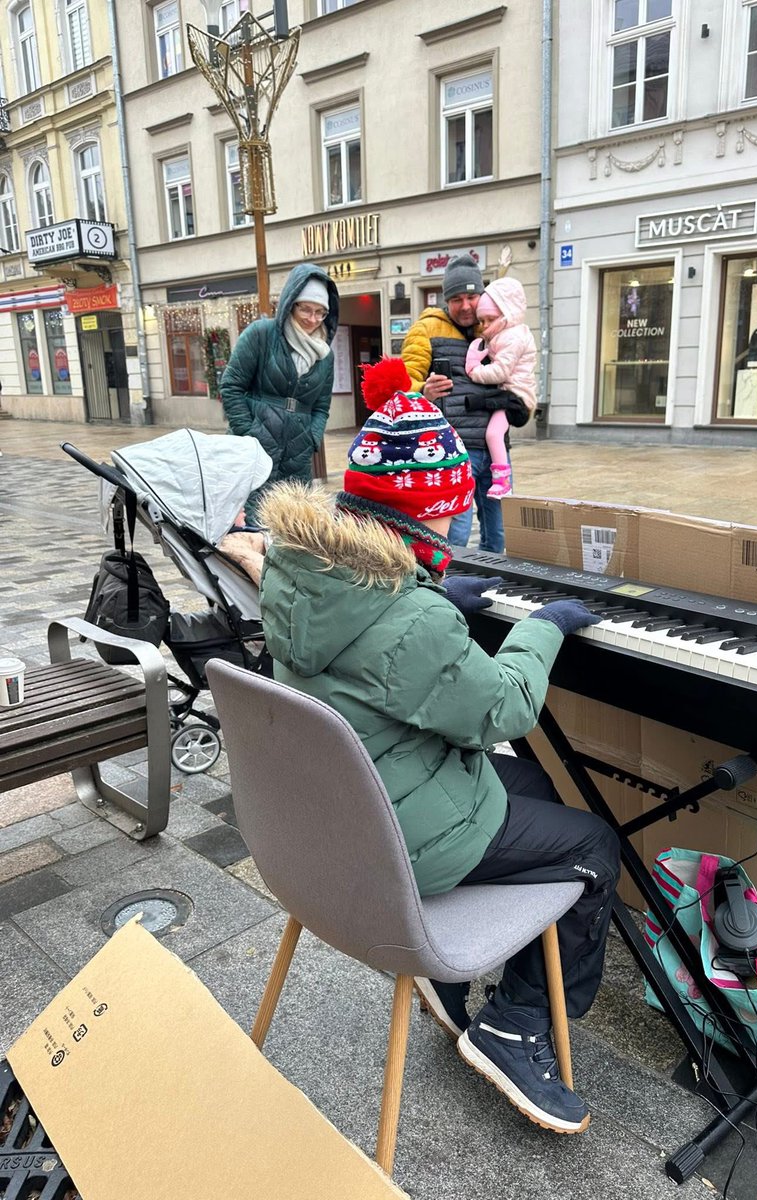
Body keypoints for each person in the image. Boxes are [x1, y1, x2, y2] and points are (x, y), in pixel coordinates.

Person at [257, 357, 620, 1136]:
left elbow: (372, 647)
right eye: (450, 518)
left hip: (336, 817)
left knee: (537, 793)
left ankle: (479, 974)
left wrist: (425, 591)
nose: (460, 530)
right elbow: (508, 707)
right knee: (594, 841)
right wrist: (541, 625)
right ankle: (517, 1025)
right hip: (401, 843)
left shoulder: (296, 570)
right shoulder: (411, 623)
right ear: (425, 523)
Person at [401, 253, 529, 553]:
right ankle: (451, 593)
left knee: (499, 534)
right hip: (453, 451)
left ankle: (488, 590)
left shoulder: (496, 328)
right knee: (453, 538)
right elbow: (402, 383)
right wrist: (424, 391)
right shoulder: (427, 329)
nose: (466, 305)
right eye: (456, 298)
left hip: (497, 451)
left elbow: (519, 374)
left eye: (471, 296)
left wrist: (521, 405)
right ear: (446, 300)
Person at [220, 263, 339, 521]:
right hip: (254, 449)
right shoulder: (261, 334)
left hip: (298, 453)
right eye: (306, 309)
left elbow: (321, 406)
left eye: (320, 312)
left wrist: (311, 438)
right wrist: (249, 433)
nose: (312, 319)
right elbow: (231, 386)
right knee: (252, 523)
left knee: (293, 529)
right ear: (291, 303)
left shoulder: (324, 354)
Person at [464, 276, 537, 499]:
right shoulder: (506, 334)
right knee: (493, 432)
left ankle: (502, 481)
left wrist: (473, 370)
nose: (484, 326)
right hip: (508, 393)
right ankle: (501, 480)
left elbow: (501, 371)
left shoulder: (512, 337)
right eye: (481, 321)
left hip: (516, 396)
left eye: (490, 319)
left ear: (507, 313)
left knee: (494, 433)